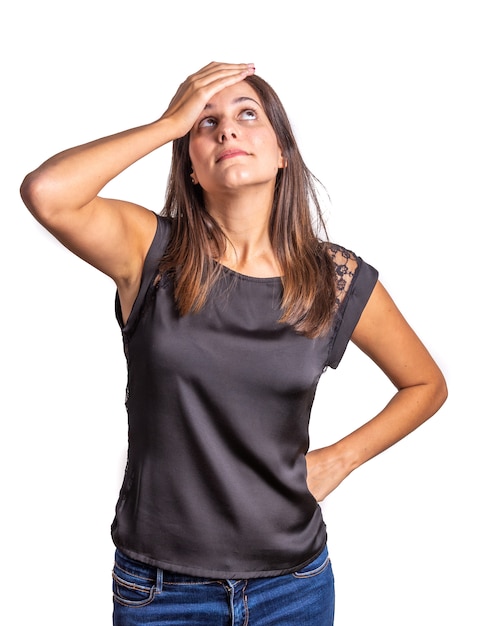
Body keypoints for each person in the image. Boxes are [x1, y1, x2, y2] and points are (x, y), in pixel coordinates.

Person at [20, 61, 447, 626]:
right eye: (206, 122)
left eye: (248, 115)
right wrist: (167, 123)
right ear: (190, 165)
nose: (226, 130)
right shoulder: (150, 252)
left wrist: (339, 460)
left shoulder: (333, 278)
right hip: (161, 591)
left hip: (293, 585)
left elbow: (426, 384)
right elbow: (47, 193)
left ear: (281, 153)